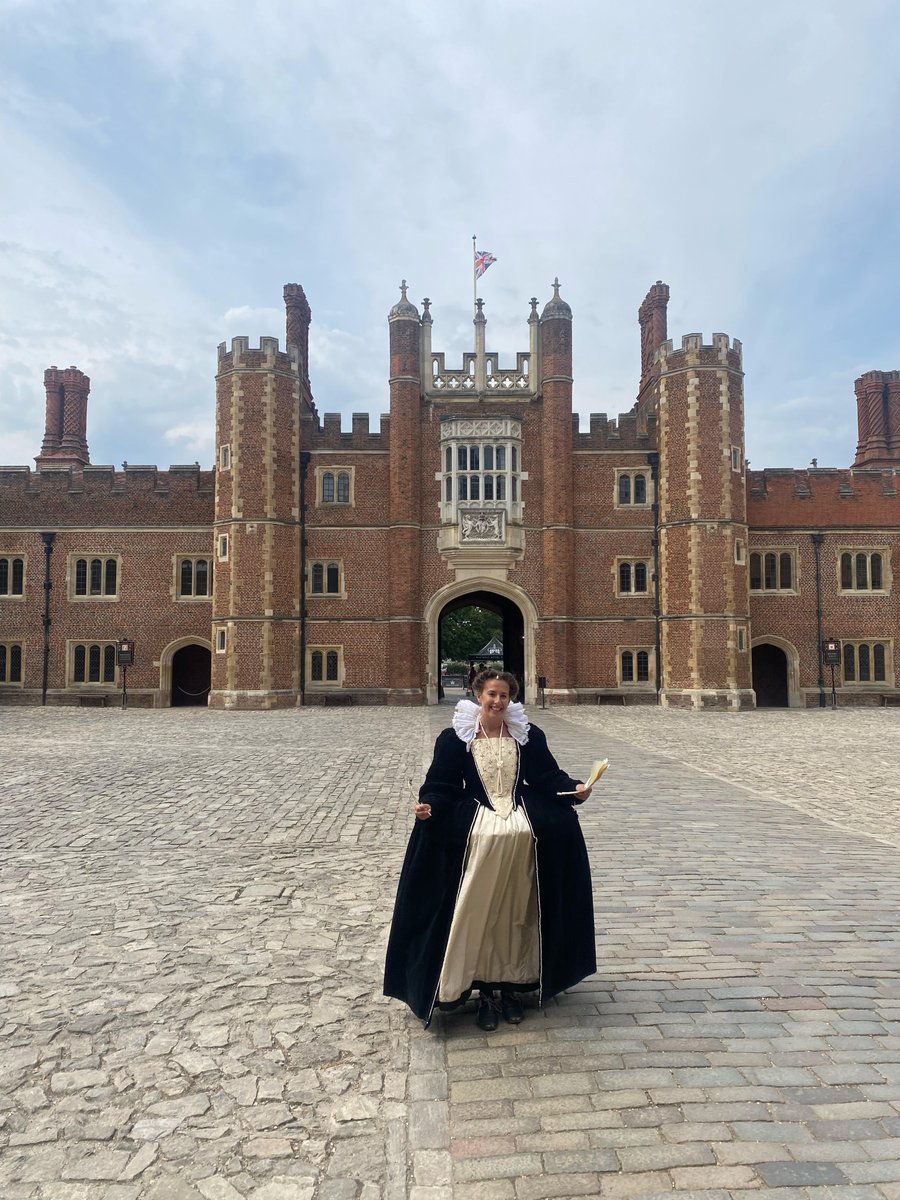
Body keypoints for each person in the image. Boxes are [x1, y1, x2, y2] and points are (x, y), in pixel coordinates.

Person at [384, 669, 596, 1031]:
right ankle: (482, 989)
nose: (497, 701)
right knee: (477, 912)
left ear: (511, 699)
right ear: (478, 695)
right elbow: (441, 783)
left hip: (519, 834)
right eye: (491, 694)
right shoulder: (456, 738)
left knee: (516, 912)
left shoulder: (528, 736)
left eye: (504, 696)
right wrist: (429, 805)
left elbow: (546, 777)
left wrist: (575, 787)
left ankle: (512, 987)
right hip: (479, 829)